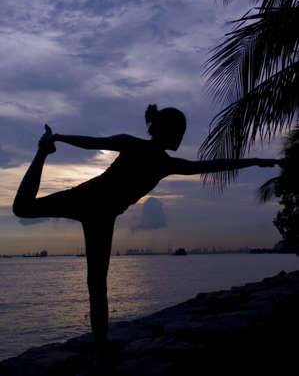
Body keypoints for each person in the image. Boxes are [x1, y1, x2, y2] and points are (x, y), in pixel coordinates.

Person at [13, 104, 281, 366]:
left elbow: (210, 165)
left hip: (103, 216)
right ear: (166, 132)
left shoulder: (167, 164)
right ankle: (43, 152)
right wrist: (57, 138)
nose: (181, 138)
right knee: (23, 209)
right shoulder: (133, 145)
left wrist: (253, 161)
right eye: (180, 132)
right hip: (87, 199)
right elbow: (92, 142)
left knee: (97, 283)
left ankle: (101, 351)